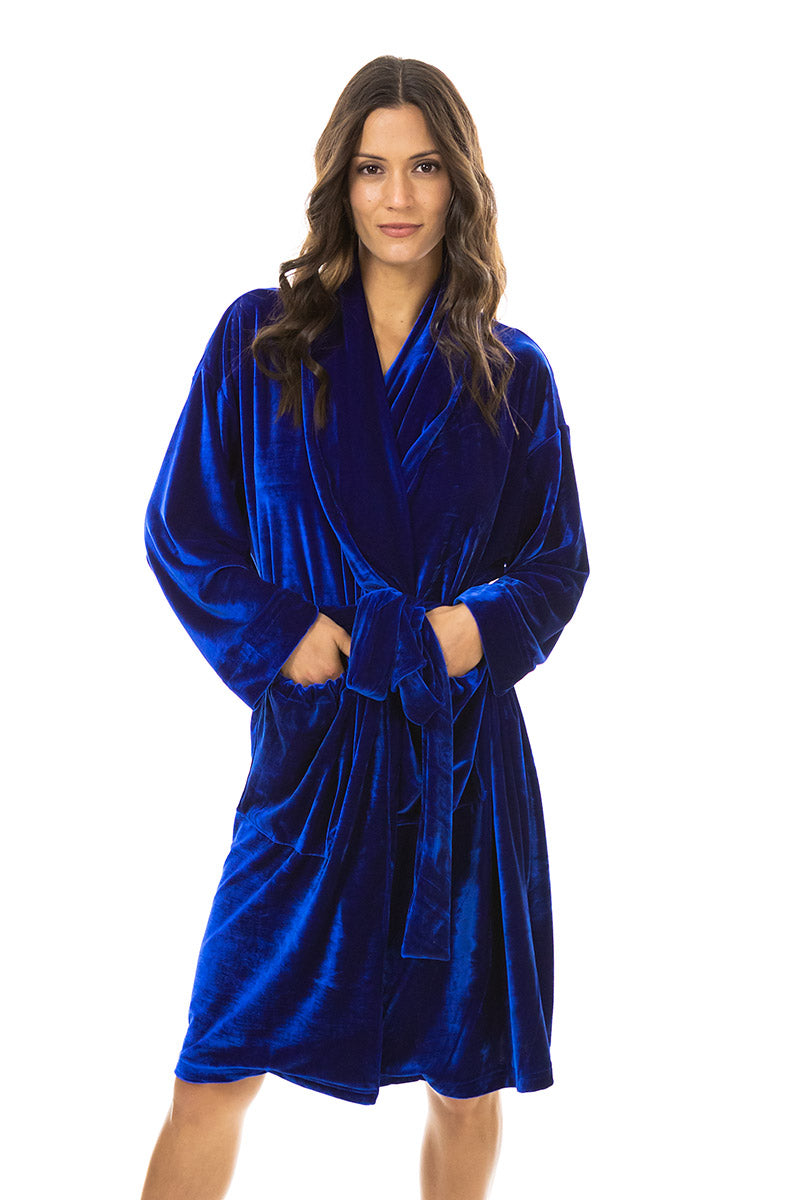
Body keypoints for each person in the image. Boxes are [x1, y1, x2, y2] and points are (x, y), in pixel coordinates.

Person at [140, 54, 590, 1200]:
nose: (397, 196)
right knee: (213, 1070)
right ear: (339, 181)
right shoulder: (261, 344)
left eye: (424, 167)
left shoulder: (512, 375)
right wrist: (281, 629)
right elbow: (183, 526)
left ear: (458, 183)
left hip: (457, 769)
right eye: (372, 168)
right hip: (311, 764)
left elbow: (554, 563)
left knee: (464, 1082)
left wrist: (466, 631)